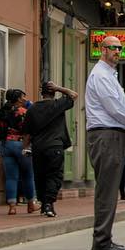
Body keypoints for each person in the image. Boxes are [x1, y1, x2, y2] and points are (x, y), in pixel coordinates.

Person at [85, 35, 125, 250]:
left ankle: (103, 237)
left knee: (109, 187)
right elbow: (114, 107)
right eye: (113, 48)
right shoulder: (101, 75)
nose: (117, 51)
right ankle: (101, 240)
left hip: (111, 132)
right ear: (102, 49)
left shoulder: (108, 74)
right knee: (107, 188)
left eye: (120, 48)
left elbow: (118, 107)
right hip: (106, 134)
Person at [24, 80, 78, 218]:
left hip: (38, 147)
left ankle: (43, 203)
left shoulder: (32, 109)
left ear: (41, 93)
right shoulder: (57, 104)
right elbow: (74, 95)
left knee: (40, 175)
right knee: (54, 175)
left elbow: (27, 133)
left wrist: (25, 147)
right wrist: (59, 87)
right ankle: (48, 204)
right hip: (54, 146)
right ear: (53, 92)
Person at [0, 88, 37, 215]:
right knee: (28, 175)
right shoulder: (23, 111)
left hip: (5, 144)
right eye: (23, 96)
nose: (25, 98)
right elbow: (30, 128)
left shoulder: (2, 111)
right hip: (20, 143)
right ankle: (31, 204)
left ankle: (12, 206)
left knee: (11, 177)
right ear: (19, 98)